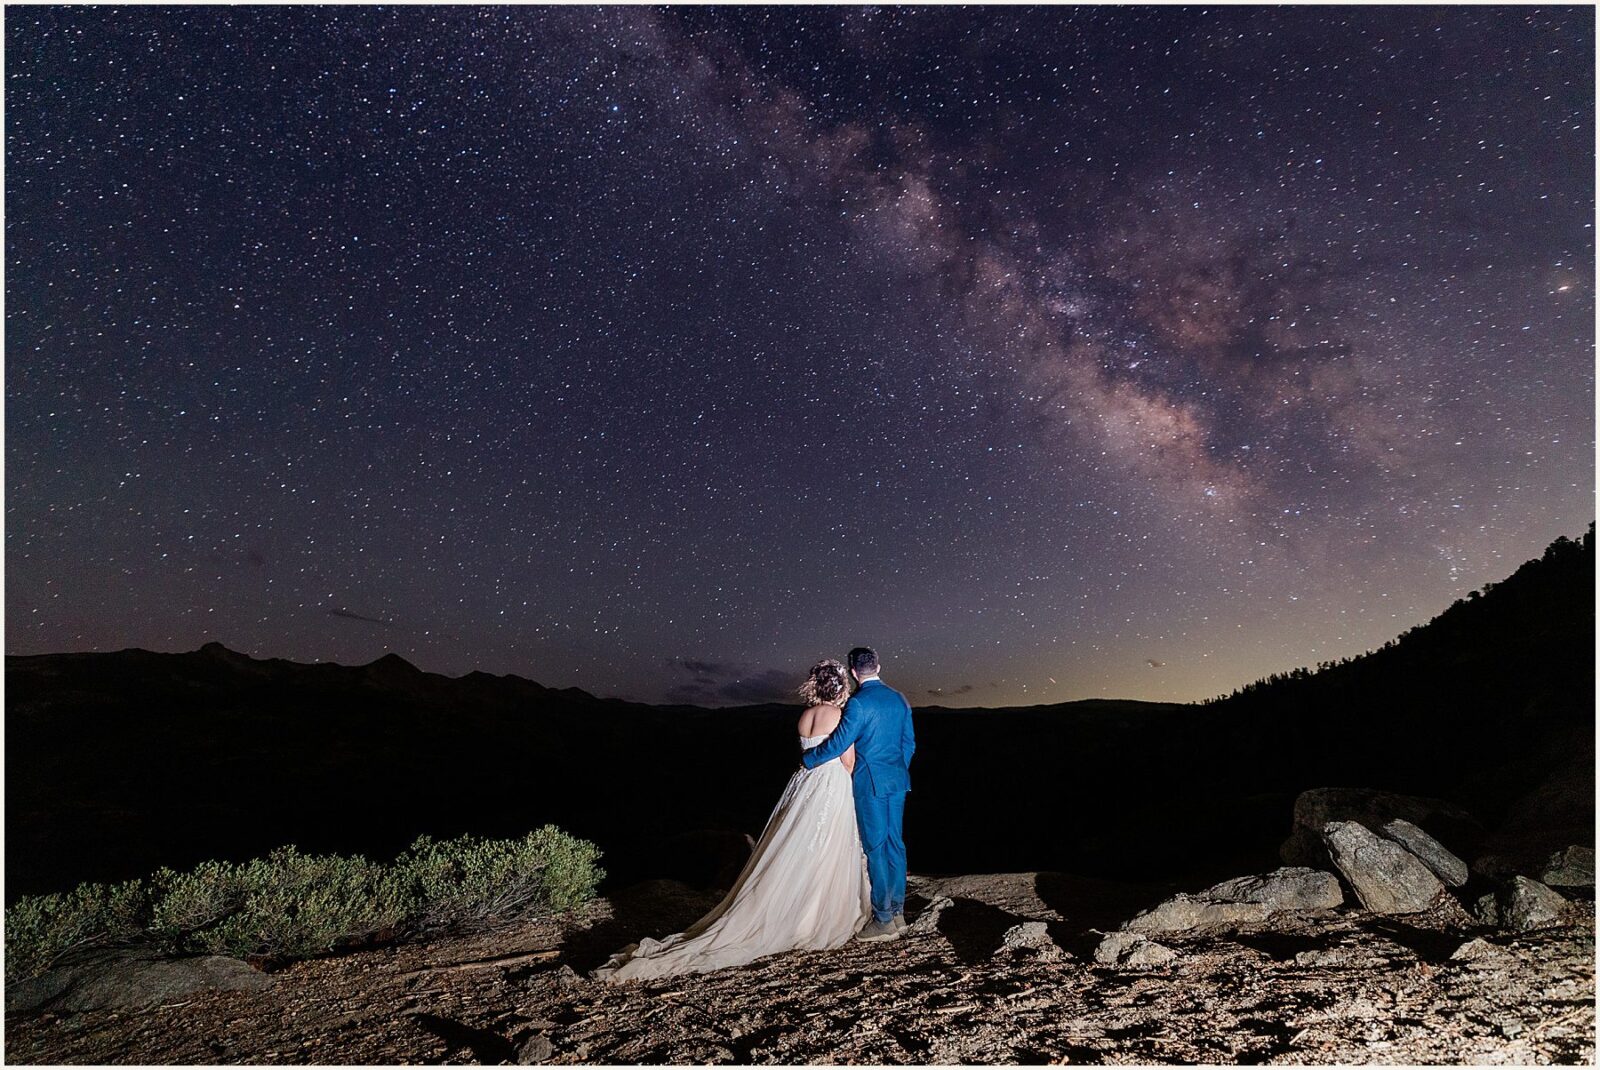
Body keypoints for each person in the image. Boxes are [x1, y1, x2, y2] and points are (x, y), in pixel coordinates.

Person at [592, 659, 871, 981]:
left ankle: (788, 908)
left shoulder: (804, 716)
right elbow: (848, 761)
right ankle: (812, 917)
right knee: (825, 847)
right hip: (829, 786)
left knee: (794, 845)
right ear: (840, 687)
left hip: (803, 785)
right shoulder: (838, 716)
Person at [799, 645, 914, 941]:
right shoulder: (899, 699)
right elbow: (909, 744)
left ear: (853, 672)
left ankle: (883, 919)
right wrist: (896, 769)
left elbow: (838, 743)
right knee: (895, 845)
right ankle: (899, 912)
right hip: (897, 781)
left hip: (869, 785)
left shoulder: (858, 705)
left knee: (875, 848)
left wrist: (809, 760)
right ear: (878, 666)